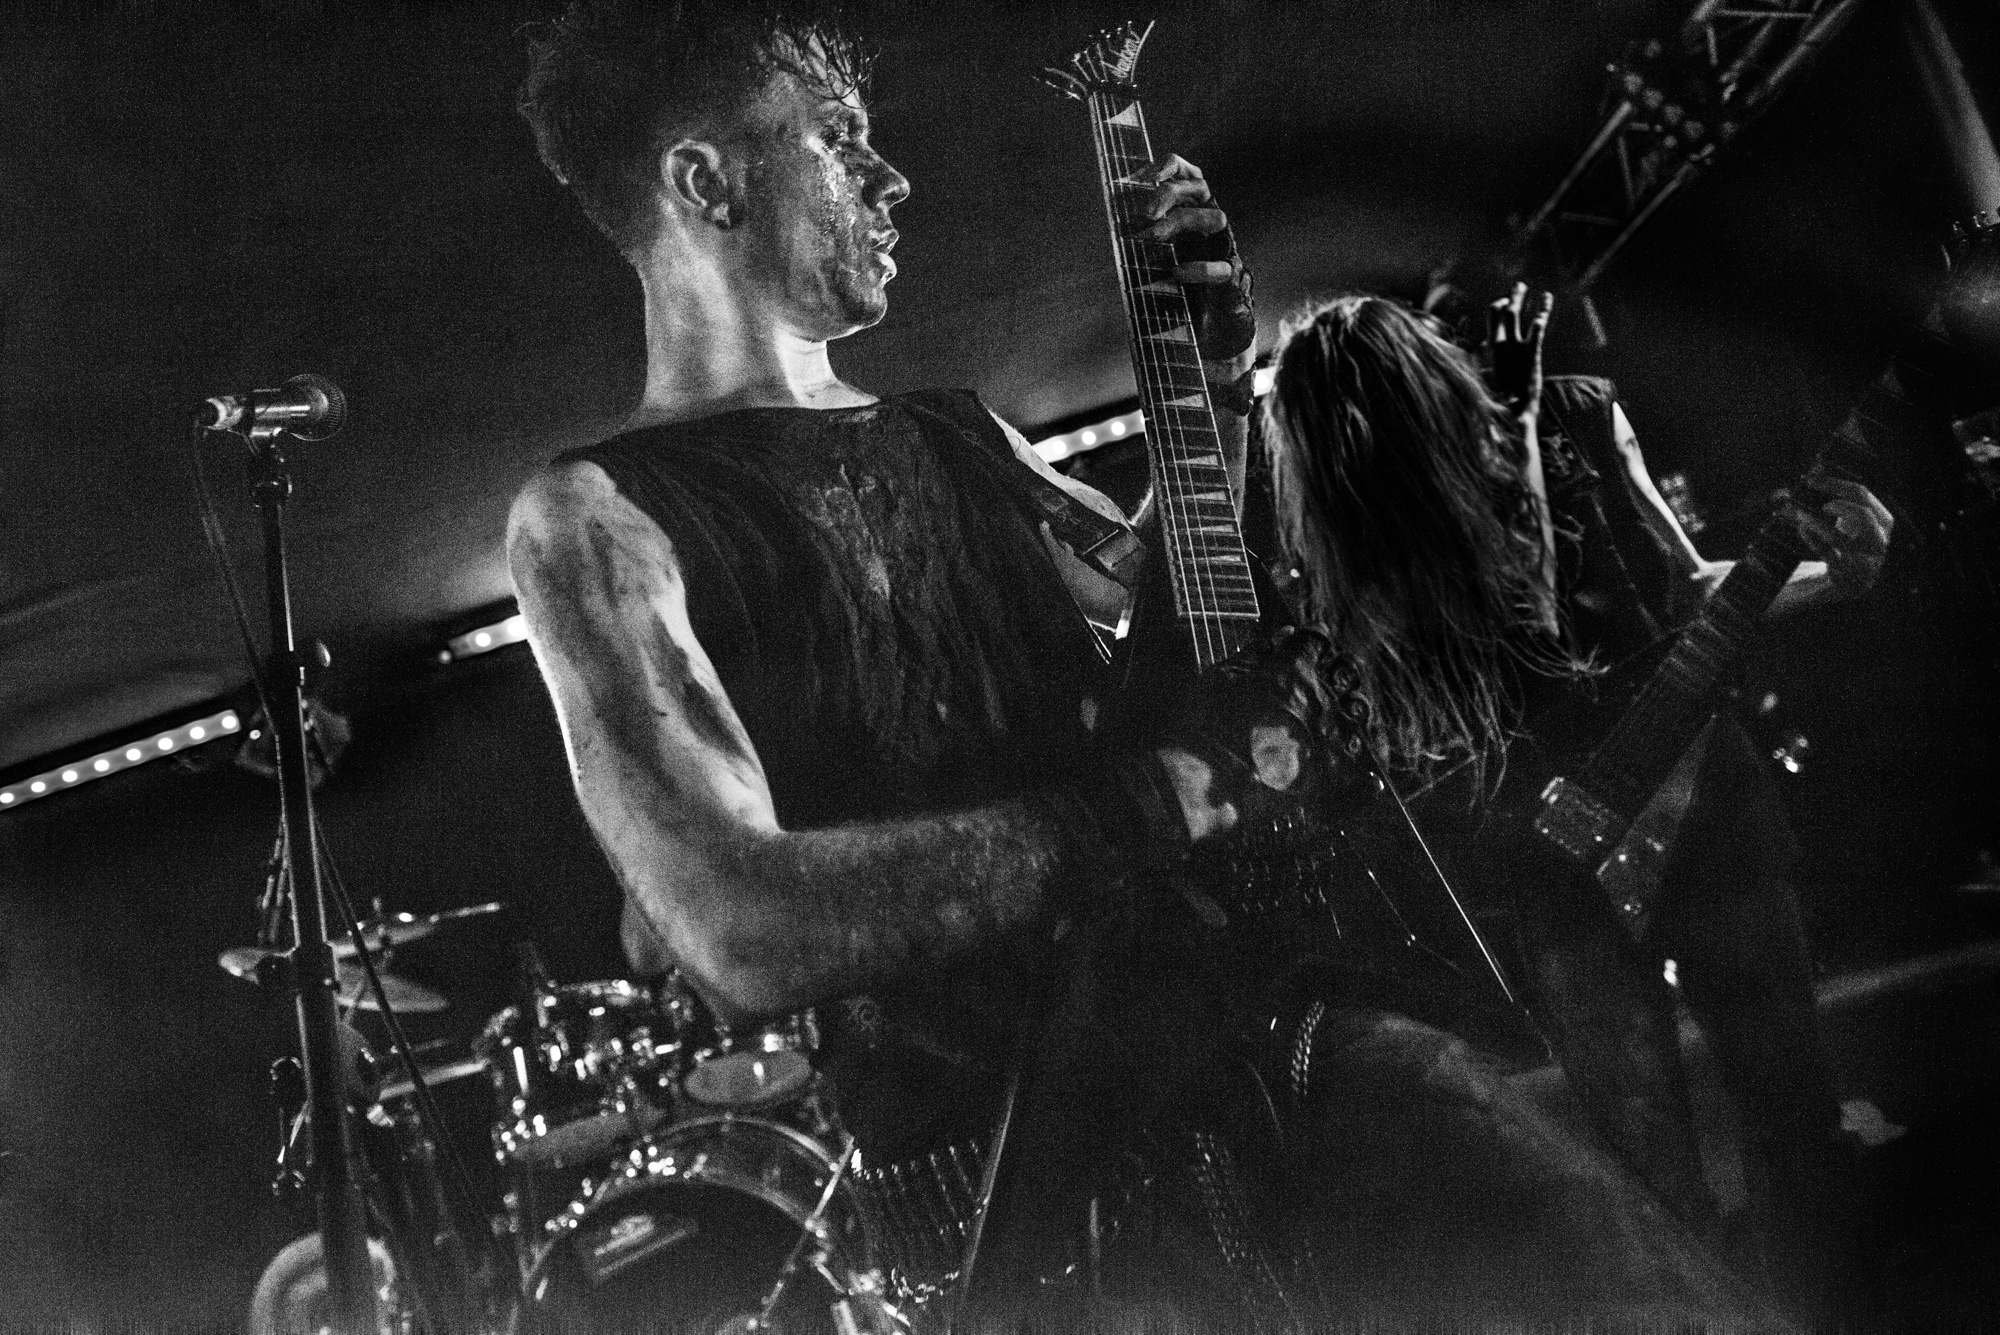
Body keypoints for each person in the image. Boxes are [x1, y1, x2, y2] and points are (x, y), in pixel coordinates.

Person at [504, 2, 1798, 1326]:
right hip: (1018, 1197)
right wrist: (1166, 796)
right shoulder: (598, 519)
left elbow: (1174, 602)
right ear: (705, 180)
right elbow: (737, 924)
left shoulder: (959, 437)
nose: (891, 180)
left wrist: (1219, 388)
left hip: (1259, 1054)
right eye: (837, 140)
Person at [1261, 287, 1895, 1316]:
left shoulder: (1574, 412)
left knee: (1778, 1121)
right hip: (1556, 866)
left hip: (1689, 797)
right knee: (1668, 1181)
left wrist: (1838, 577)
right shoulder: (1362, 551)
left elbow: (1685, 590)